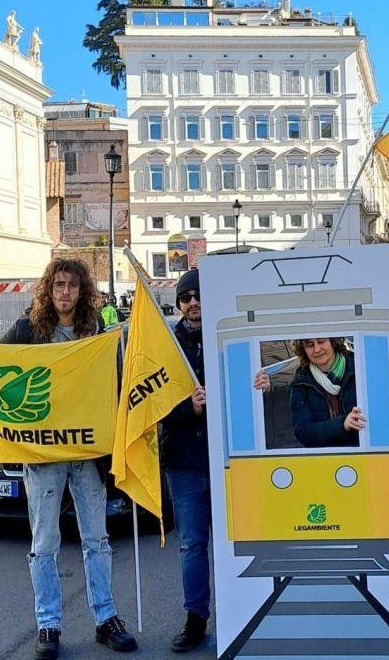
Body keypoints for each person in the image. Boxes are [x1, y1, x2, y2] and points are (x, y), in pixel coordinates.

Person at [0, 259, 137, 660]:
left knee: (97, 540)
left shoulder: (95, 332)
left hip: (86, 455)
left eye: (71, 285)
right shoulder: (26, 331)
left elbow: (114, 383)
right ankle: (48, 624)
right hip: (43, 457)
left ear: (81, 291)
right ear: (48, 291)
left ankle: (106, 618)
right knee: (44, 541)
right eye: (58, 285)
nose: (64, 292)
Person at [159, 269, 212, 652]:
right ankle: (196, 618)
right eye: (186, 297)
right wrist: (186, 409)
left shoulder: (226, 332)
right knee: (192, 544)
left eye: (198, 295)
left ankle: (241, 611)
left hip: (228, 459)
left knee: (232, 542)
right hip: (183, 461)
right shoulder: (165, 345)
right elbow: (150, 405)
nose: (193, 302)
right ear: (178, 304)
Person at [287, 337, 366, 447]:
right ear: (303, 350)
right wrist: (342, 425)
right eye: (310, 345)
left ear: (333, 341)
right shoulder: (300, 382)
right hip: (325, 458)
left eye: (321, 341)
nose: (317, 349)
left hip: (364, 453)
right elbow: (302, 432)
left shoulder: (360, 365)